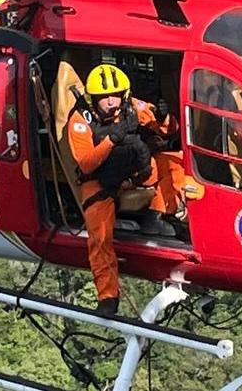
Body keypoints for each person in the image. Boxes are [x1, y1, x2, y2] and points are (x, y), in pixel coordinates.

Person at [66, 64, 177, 315]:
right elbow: (86, 163)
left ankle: (157, 217)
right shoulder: (79, 121)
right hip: (99, 181)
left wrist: (164, 118)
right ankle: (107, 296)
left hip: (134, 171)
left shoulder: (132, 107)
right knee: (99, 236)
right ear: (92, 99)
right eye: (104, 97)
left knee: (173, 162)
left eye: (115, 95)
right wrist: (111, 139)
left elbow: (169, 130)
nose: (110, 102)